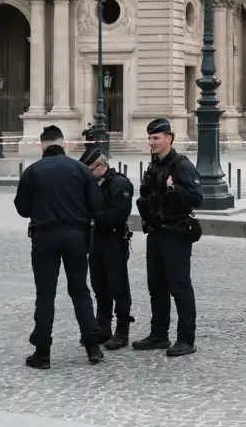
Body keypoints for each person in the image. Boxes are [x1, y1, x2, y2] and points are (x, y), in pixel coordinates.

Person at [15, 125, 104, 367]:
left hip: (44, 237)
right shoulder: (80, 169)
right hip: (76, 236)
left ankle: (42, 352)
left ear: (42, 146)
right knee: (80, 291)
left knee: (45, 294)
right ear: (64, 145)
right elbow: (96, 203)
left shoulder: (32, 172)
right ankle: (92, 346)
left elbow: (22, 209)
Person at [133, 118, 201, 356]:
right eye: (150, 138)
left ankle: (186, 339)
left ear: (169, 139)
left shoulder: (181, 165)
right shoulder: (153, 165)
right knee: (157, 286)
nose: (151, 142)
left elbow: (196, 197)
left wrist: (174, 189)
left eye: (156, 138)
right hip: (156, 232)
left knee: (180, 287)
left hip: (175, 232)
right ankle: (159, 335)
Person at [81, 145, 134, 350]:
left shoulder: (119, 183)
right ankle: (103, 327)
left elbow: (118, 214)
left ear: (101, 166)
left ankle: (122, 331)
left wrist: (92, 219)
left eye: (90, 170)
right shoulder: (93, 184)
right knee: (99, 285)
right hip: (96, 241)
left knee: (118, 286)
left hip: (114, 240)